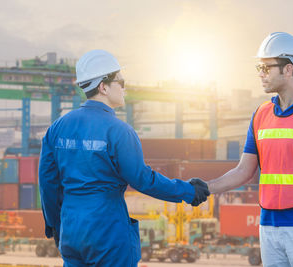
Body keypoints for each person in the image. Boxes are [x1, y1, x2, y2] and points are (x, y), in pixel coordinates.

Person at [38, 49, 210, 266]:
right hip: (107, 230)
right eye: (120, 80)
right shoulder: (120, 131)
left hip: (72, 230)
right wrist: (189, 191)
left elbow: (47, 184)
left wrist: (55, 224)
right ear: (103, 87)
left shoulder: (57, 128)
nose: (124, 86)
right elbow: (143, 180)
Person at [208, 32, 293, 267]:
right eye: (258, 67)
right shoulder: (261, 114)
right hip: (269, 227)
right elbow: (243, 171)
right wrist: (204, 188)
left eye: (265, 67)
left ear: (288, 69)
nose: (260, 74)